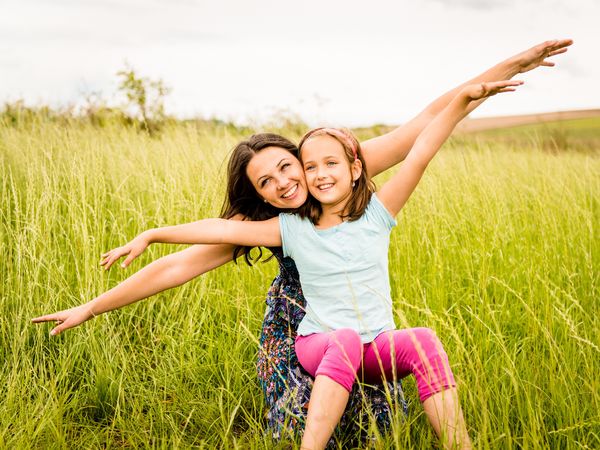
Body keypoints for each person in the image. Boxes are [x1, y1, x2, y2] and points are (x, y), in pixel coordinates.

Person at [32, 40, 572, 444]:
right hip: (304, 336)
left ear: (315, 161)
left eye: (290, 168)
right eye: (267, 182)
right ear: (257, 194)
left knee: (376, 412)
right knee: (319, 405)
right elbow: (175, 267)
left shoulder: (332, 168)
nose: (287, 184)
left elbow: (426, 127)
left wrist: (510, 68)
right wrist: (92, 307)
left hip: (360, 326)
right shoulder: (273, 224)